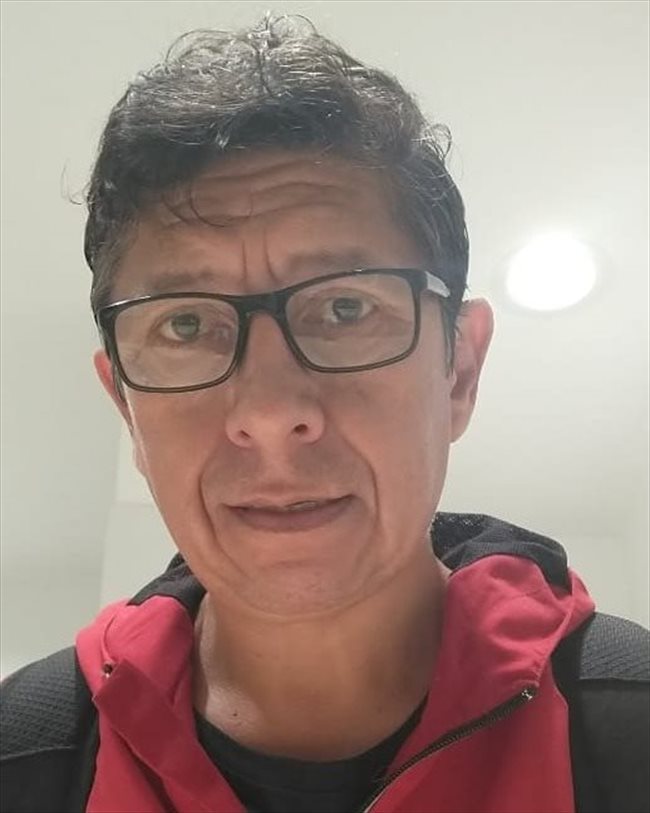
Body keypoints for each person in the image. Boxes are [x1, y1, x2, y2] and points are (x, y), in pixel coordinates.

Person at [1, 14, 648, 813]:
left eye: (345, 307)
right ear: (126, 409)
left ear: (459, 370)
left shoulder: (630, 727)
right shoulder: (25, 757)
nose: (271, 412)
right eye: (187, 324)